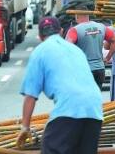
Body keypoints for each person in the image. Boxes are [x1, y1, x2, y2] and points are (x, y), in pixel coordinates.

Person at [17, 17, 103, 154]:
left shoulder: (40, 52)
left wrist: (25, 127)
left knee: (50, 149)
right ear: (62, 31)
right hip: (95, 111)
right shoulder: (76, 50)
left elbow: (30, 96)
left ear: (39, 36)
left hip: (69, 111)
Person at [66, 14, 115, 90]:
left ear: (77, 16)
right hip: (100, 70)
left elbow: (67, 46)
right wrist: (108, 58)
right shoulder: (101, 27)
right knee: (96, 98)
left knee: (84, 98)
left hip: (84, 70)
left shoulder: (74, 30)